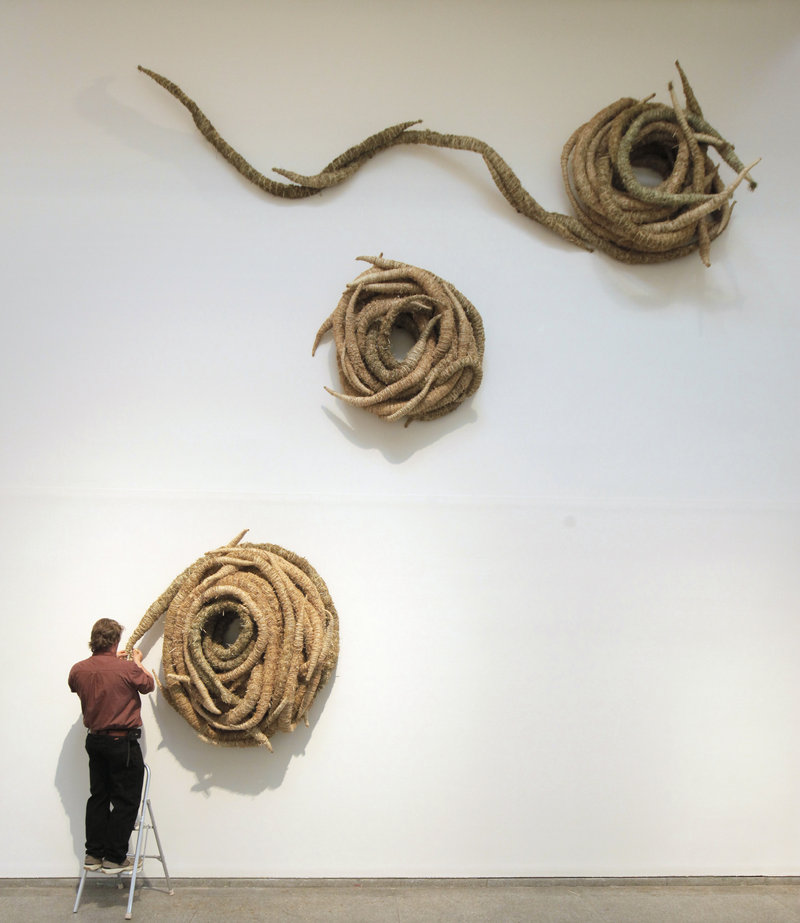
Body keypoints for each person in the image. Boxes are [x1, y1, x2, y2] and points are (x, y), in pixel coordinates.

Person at [68, 618, 155, 873]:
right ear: (116, 640)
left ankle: (93, 854)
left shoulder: (78, 669)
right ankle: (115, 858)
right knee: (126, 800)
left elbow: (81, 683)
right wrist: (135, 663)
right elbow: (148, 685)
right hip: (122, 742)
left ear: (94, 640)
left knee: (99, 796)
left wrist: (110, 662)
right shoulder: (128, 669)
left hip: (94, 740)